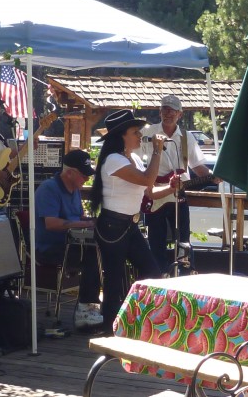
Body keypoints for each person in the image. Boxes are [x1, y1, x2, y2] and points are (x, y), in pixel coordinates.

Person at [90, 109, 164, 334]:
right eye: (135, 132)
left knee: (151, 271)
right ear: (122, 135)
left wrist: (175, 186)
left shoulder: (130, 158)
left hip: (129, 225)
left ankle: (132, 319)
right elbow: (146, 179)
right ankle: (109, 329)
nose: (140, 136)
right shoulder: (113, 160)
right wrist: (157, 151)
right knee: (114, 279)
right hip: (113, 226)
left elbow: (149, 190)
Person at [139, 94, 216, 274]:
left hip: (178, 195)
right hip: (155, 192)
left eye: (172, 110)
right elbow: (131, 155)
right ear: (160, 112)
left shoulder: (186, 138)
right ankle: (158, 277)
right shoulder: (147, 133)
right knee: (155, 241)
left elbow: (197, 166)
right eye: (165, 109)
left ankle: (185, 274)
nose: (168, 113)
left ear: (180, 114)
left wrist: (213, 176)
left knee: (183, 240)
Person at [34, 149, 102, 330]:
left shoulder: (75, 189)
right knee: (92, 257)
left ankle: (95, 306)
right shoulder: (49, 188)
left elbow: (78, 218)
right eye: (83, 175)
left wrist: (93, 221)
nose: (87, 179)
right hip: (49, 247)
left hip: (70, 244)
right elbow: (51, 223)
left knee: (102, 252)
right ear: (70, 172)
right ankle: (84, 310)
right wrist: (84, 225)